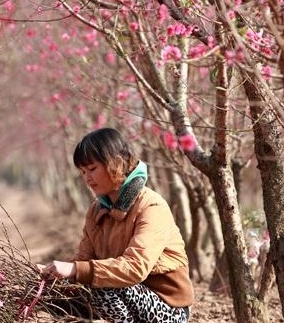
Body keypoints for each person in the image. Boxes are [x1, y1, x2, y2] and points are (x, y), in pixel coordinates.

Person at [39, 128, 194, 323]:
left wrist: (76, 270)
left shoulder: (151, 206)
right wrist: (52, 273)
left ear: (116, 163)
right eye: (83, 171)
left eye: (92, 169)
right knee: (56, 296)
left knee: (102, 284)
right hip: (125, 297)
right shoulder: (96, 211)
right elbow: (83, 260)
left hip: (169, 309)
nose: (87, 178)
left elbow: (136, 267)